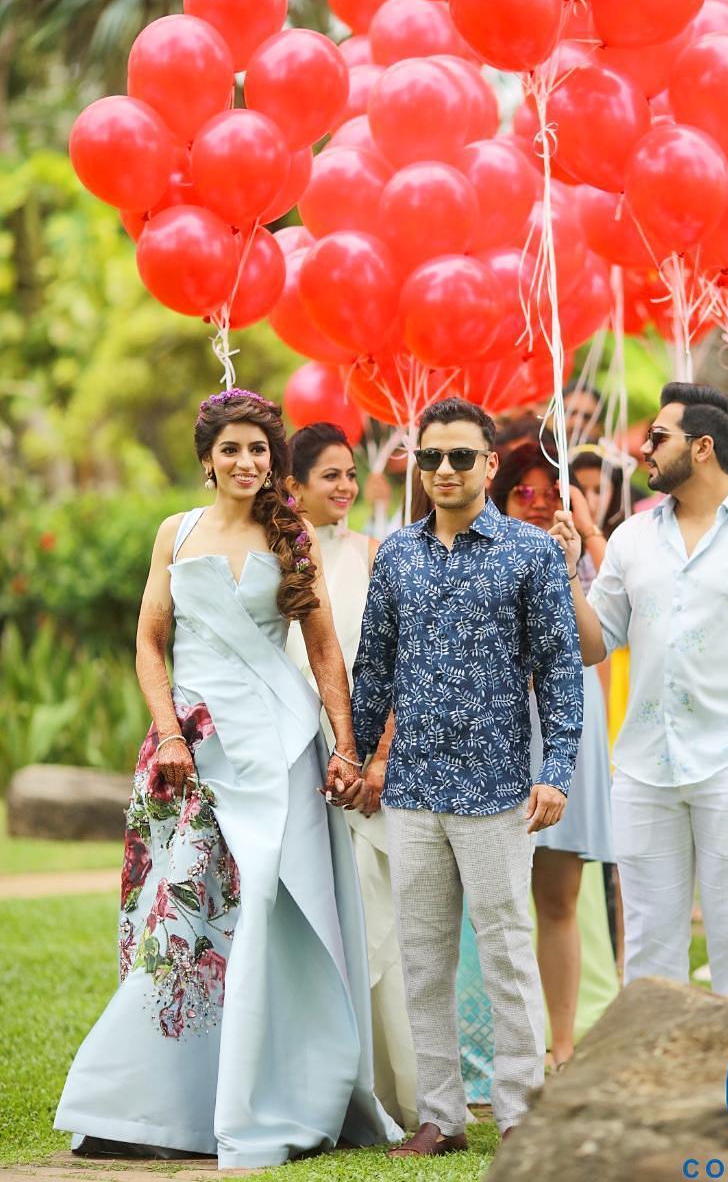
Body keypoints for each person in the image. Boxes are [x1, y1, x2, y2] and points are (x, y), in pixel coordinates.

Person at [54, 390, 400, 1167]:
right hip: (192, 752)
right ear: (207, 458)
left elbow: (322, 653)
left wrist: (345, 747)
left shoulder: (294, 536)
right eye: (233, 450)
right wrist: (171, 733)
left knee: (270, 922)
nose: (247, 464)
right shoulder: (173, 533)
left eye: (259, 451)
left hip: (280, 750)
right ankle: (139, 1110)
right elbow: (149, 643)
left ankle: (277, 1096)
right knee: (178, 927)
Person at [550, 382, 728, 999]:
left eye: (658, 438)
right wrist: (568, 571)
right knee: (650, 943)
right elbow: (593, 644)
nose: (642, 450)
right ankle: (659, 1089)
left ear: (703, 447)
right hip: (643, 768)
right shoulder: (629, 538)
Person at [351, 397, 583, 1156]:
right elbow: (374, 667)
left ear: (489, 463)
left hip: (496, 792)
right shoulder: (396, 554)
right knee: (423, 960)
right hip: (413, 789)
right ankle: (441, 1118)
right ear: (417, 465)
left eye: (459, 457)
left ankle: (519, 1111)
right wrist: (357, 756)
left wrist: (557, 770)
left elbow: (559, 671)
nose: (443, 470)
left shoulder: (530, 553)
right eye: (430, 458)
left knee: (510, 953)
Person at [283, 421, 416, 1129]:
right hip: (289, 761)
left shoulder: (376, 555)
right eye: (328, 474)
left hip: (364, 764)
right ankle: (310, 1091)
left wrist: (377, 756)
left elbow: (398, 665)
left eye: (349, 474)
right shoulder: (275, 558)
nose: (344, 487)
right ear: (292, 484)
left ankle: (387, 1092)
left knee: (376, 920)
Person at [489, 441, 618, 1069]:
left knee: (560, 897)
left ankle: (562, 1047)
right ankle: (510, 1046)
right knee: (498, 900)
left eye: (553, 493)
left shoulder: (580, 563)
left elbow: (595, 648)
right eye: (525, 492)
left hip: (567, 729)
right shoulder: (476, 558)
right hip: (497, 730)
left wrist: (566, 567)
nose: (538, 505)